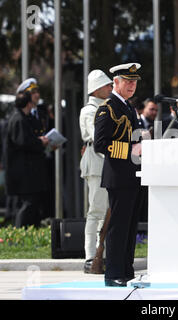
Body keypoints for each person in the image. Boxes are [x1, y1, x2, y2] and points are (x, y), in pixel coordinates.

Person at [94, 62, 144, 287]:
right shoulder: (108, 108)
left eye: (134, 82)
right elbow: (100, 144)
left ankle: (126, 270)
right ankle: (113, 273)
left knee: (130, 226)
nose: (132, 85)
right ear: (116, 82)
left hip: (133, 174)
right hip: (118, 175)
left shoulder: (128, 107)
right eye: (127, 81)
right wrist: (131, 150)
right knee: (118, 227)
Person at [79, 69, 113, 273]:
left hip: (109, 161)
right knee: (96, 210)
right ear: (98, 88)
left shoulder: (107, 107)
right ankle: (91, 255)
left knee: (107, 211)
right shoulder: (89, 110)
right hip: (97, 161)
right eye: (107, 85)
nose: (110, 88)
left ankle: (105, 254)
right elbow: (97, 135)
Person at [4, 91, 49, 228]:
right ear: (29, 103)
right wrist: (40, 142)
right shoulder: (18, 119)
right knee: (28, 203)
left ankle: (28, 230)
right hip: (23, 171)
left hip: (27, 170)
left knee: (31, 202)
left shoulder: (22, 117)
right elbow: (23, 142)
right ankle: (19, 231)